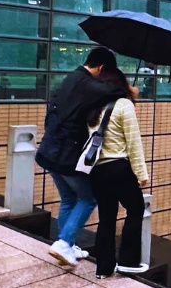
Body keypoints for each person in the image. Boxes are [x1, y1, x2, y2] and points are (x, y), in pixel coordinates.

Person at [37, 47, 130, 267]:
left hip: (50, 151)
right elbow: (111, 91)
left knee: (69, 199)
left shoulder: (71, 78)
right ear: (101, 68)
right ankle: (64, 242)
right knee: (88, 199)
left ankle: (66, 244)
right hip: (66, 154)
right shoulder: (85, 82)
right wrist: (127, 88)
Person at [87, 67, 150, 278]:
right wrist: (142, 174)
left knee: (106, 217)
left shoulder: (93, 105)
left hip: (97, 170)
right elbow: (133, 143)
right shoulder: (124, 105)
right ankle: (128, 261)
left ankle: (104, 268)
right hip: (118, 168)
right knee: (136, 208)